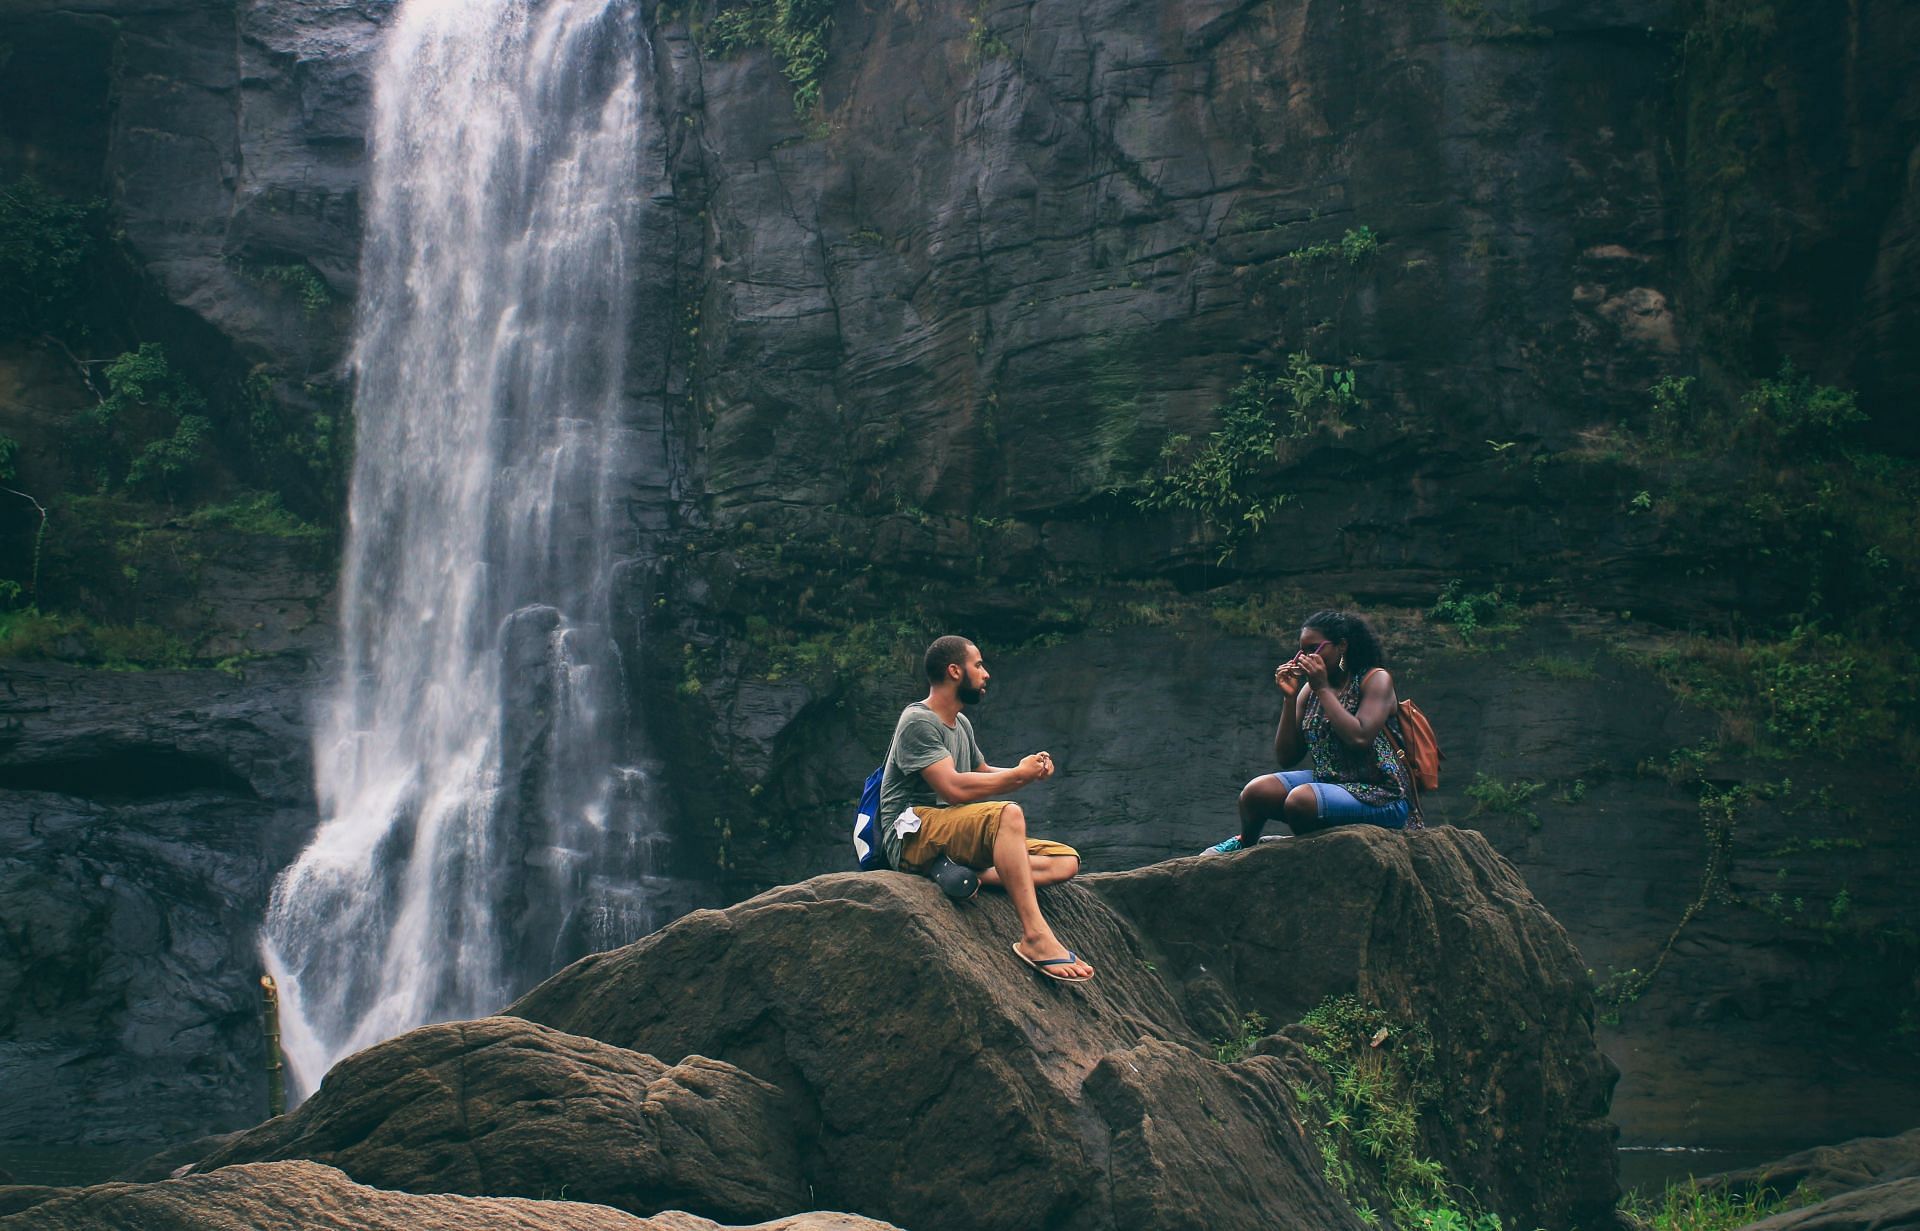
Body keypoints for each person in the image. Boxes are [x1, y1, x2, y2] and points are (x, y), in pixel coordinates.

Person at [878, 635, 1094, 982]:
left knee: (1065, 861)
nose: (986, 673)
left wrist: (1026, 772)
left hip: (947, 828)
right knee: (1007, 814)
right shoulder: (918, 721)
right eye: (978, 665)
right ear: (954, 670)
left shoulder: (960, 723)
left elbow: (980, 773)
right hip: (912, 831)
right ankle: (1036, 937)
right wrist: (1016, 779)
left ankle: (962, 872)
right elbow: (953, 786)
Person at [1205, 610, 1412, 852]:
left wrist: (1323, 688)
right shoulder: (1310, 690)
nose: (1303, 658)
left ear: (1341, 646)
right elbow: (1286, 757)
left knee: (1300, 801)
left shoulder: (1375, 680)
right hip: (1330, 782)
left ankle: (1302, 848)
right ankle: (1246, 847)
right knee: (1255, 792)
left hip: (1381, 795)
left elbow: (1359, 738)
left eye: (1313, 650)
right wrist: (1289, 698)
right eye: (1301, 651)